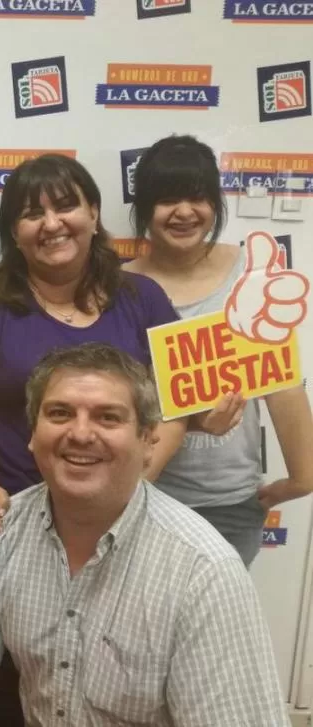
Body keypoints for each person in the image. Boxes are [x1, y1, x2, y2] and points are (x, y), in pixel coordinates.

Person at [0, 153, 189, 723]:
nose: (51, 223)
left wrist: (132, 487)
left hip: (120, 520)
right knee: (4, 671)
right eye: (31, 214)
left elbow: (178, 406)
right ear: (14, 234)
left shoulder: (143, 299)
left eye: (65, 205)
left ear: (95, 213)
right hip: (8, 520)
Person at [0, 342, 289, 726]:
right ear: (33, 433)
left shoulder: (204, 572)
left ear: (148, 441)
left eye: (108, 418)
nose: (81, 433)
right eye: (59, 413)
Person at [124, 134, 313, 565]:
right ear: (145, 207)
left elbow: (282, 383)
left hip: (230, 504)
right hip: (142, 496)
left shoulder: (252, 274)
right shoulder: (121, 287)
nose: (185, 212)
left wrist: (301, 479)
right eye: (167, 199)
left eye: (198, 197)